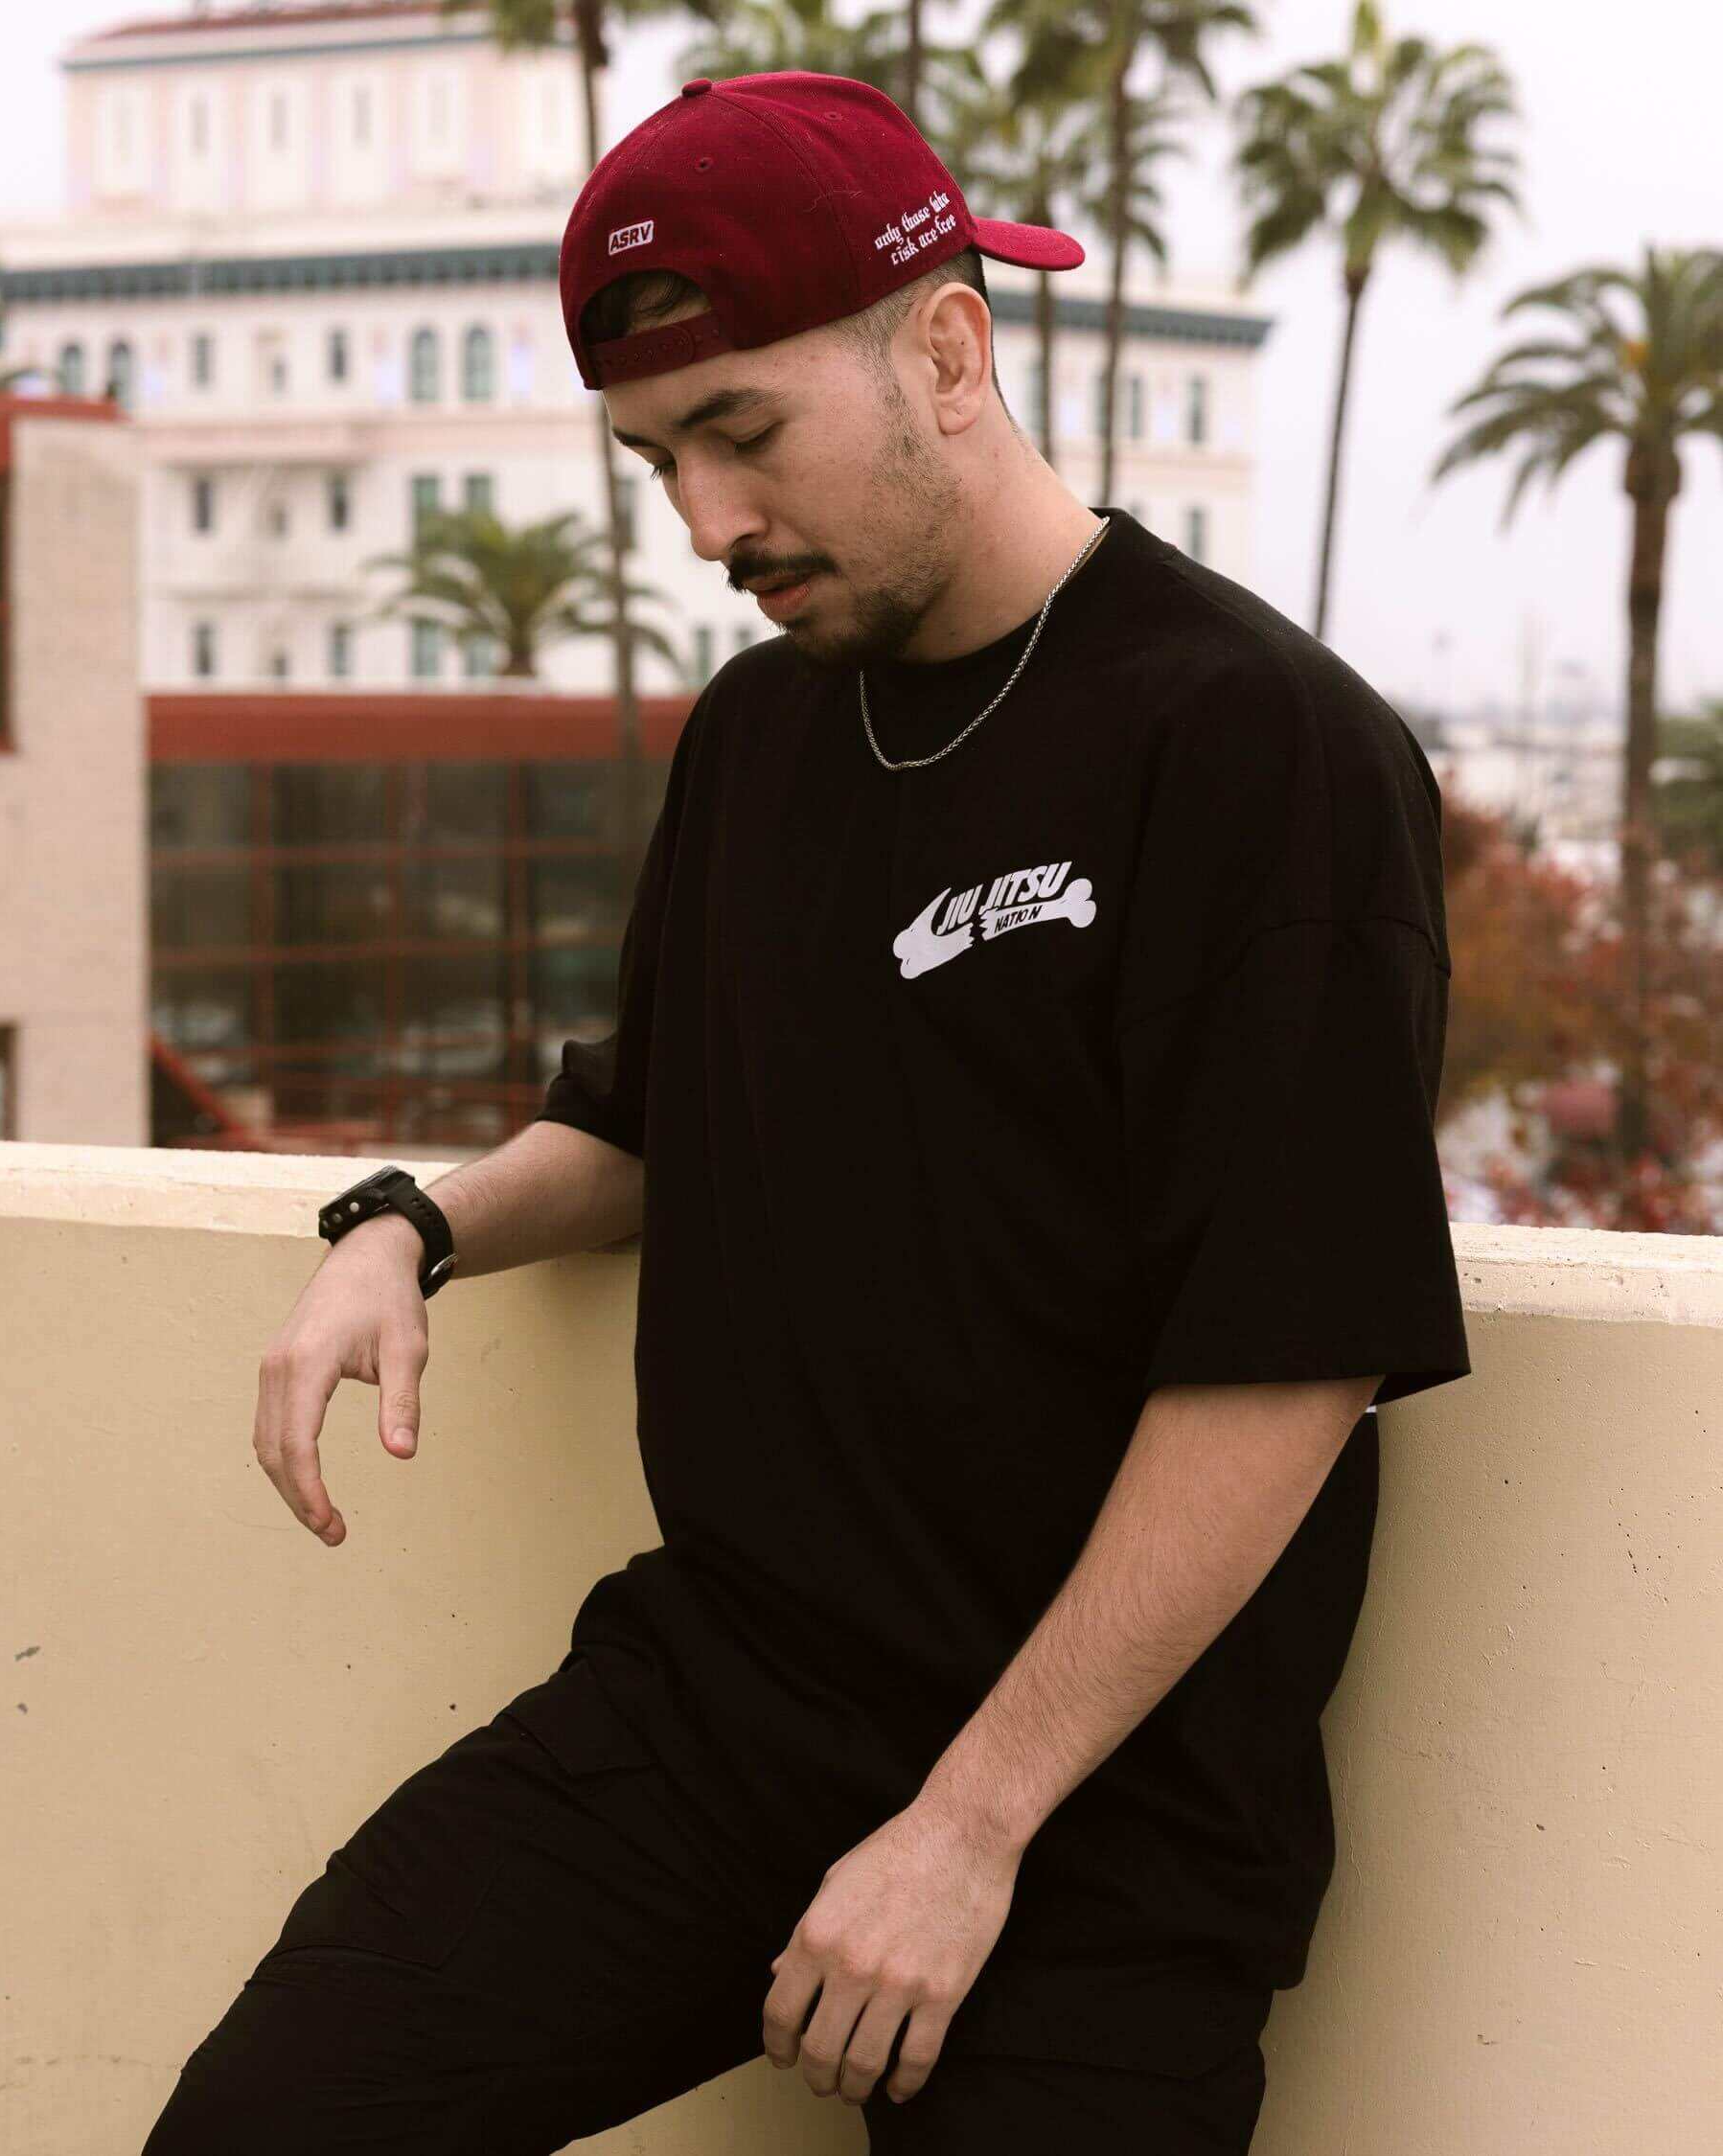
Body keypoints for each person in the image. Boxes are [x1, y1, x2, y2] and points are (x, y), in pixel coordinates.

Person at [143, 69, 1471, 2156]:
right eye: (659, 458)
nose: (705, 527)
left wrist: (968, 1825)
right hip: (722, 1719)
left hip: (1095, 1825)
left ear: (948, 348)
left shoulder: (1254, 747)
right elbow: (653, 1117)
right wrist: (405, 1228)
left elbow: (1288, 1356)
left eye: (742, 435)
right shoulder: (763, 731)